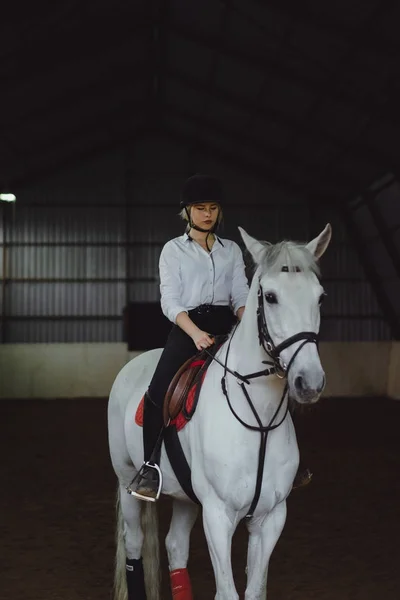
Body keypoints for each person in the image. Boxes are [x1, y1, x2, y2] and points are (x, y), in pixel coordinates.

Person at [131, 173, 249, 501]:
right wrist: (196, 334)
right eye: (200, 208)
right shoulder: (173, 251)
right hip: (189, 327)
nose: (208, 214)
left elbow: (241, 295)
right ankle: (150, 468)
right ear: (187, 211)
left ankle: (282, 462)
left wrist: (248, 321)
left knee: (267, 377)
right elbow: (170, 301)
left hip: (228, 326)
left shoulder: (232, 251)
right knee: (157, 393)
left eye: (213, 207)